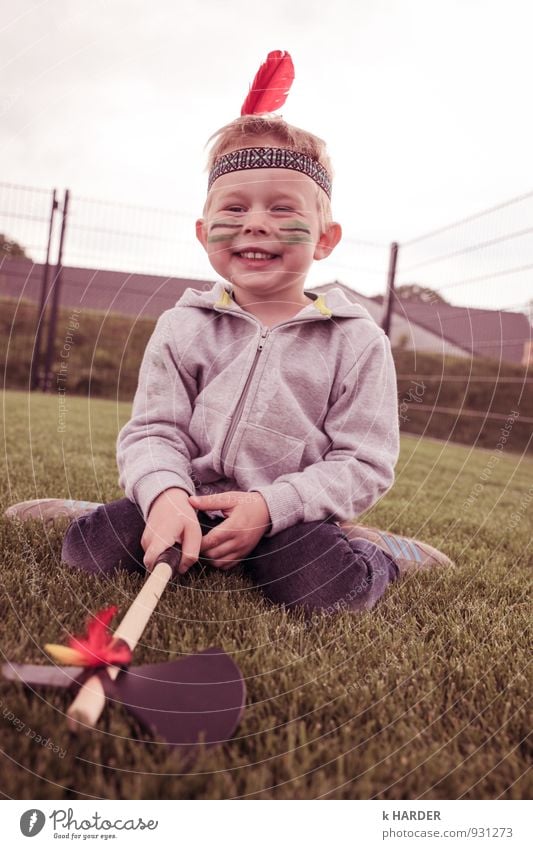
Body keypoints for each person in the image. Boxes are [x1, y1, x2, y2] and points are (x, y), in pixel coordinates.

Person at [5, 52, 453, 614]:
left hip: (288, 516)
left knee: (326, 591)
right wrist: (165, 495)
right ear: (203, 231)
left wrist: (270, 506)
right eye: (235, 207)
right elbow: (154, 431)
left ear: (325, 238)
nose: (256, 222)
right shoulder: (182, 326)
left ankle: (376, 550)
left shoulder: (357, 342)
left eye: (282, 208)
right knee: (87, 551)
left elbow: (363, 461)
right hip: (187, 499)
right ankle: (98, 510)